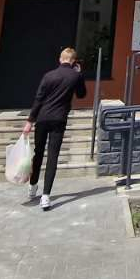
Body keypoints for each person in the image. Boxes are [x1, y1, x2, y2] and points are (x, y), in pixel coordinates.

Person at [24, 47, 87, 210]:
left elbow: (38, 99)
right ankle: (46, 196)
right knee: (53, 156)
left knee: (38, 152)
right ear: (73, 61)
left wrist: (30, 121)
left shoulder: (49, 76)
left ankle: (32, 186)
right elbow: (81, 94)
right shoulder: (75, 76)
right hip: (59, 119)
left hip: (42, 118)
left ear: (60, 59)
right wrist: (79, 74)